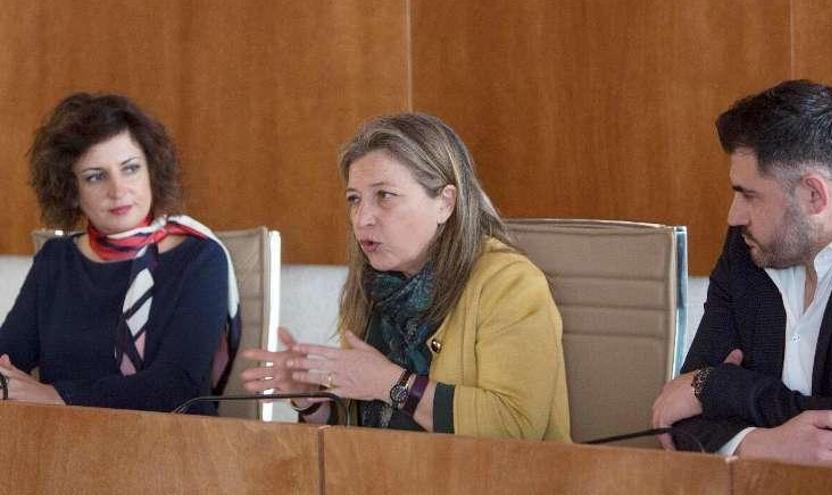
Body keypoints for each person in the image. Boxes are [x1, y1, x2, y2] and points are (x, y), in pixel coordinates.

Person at [242, 112, 570, 440]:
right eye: (354, 199)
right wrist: (313, 400)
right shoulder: (372, 287)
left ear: (445, 203)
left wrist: (392, 384)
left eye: (384, 196)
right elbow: (358, 436)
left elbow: (514, 427)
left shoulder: (511, 284)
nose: (362, 218)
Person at [652, 80, 832, 468]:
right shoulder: (749, 247)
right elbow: (682, 419)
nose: (733, 215)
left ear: (813, 196)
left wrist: (721, 385)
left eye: (749, 194)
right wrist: (760, 445)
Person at [0, 93, 240, 414]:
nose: (117, 190)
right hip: (63, 444)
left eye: (130, 169)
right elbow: (8, 355)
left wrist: (59, 396)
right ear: (71, 191)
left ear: (151, 170)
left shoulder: (200, 258)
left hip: (176, 448)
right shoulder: (55, 259)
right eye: (95, 177)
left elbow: (174, 386)